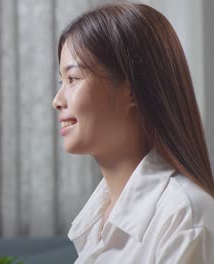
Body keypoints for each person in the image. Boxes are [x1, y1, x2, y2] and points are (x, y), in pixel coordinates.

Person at [52, 2, 214, 263]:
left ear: (131, 91)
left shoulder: (185, 216)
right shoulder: (96, 219)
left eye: (73, 79)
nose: (57, 100)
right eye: (62, 81)